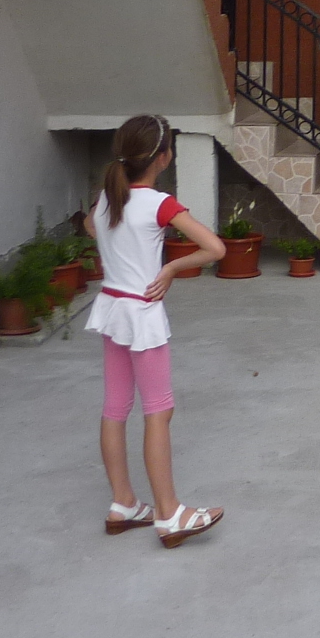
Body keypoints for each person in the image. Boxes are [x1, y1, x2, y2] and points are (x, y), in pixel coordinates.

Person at [83, 114, 226, 548]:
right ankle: (169, 513)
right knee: (158, 412)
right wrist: (170, 268)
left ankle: (123, 503)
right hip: (142, 317)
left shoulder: (107, 199)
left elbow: (90, 226)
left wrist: (117, 252)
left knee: (115, 408)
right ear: (163, 157)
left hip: (112, 310)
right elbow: (215, 248)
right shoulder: (160, 203)